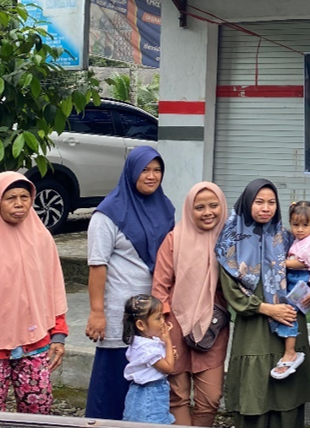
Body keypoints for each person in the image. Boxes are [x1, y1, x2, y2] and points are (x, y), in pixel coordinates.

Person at [216, 178, 310, 427]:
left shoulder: (287, 237)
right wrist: (267, 308)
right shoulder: (231, 242)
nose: (266, 208)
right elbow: (231, 292)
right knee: (255, 390)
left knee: (288, 395)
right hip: (254, 326)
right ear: (247, 203)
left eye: (272, 202)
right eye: (259, 202)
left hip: (289, 325)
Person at [84, 146, 176, 420]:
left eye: (157, 170)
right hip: (118, 313)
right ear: (131, 172)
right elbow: (97, 265)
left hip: (152, 315)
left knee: (148, 382)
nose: (151, 176)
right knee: (113, 383)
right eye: (145, 170)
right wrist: (97, 312)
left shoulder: (165, 207)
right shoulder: (107, 214)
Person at [0, 172, 69, 414]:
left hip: (34, 339)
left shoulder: (40, 237)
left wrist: (59, 333)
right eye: (10, 197)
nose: (19, 204)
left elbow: (53, 285)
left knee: (39, 407)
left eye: (25, 197)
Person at [151, 182, 231, 426]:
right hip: (175, 322)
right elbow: (160, 287)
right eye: (199, 207)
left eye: (213, 205)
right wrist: (163, 325)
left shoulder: (229, 241)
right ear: (189, 210)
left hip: (213, 325)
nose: (208, 212)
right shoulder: (175, 239)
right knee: (177, 395)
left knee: (211, 397)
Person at [274, 200, 310, 378]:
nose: (300, 229)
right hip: (293, 278)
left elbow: (303, 263)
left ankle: (290, 351)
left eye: (305, 225)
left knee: (290, 313)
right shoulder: (297, 240)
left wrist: (281, 264)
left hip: (300, 279)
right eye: (295, 225)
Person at [121, 294, 176, 424]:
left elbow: (165, 360)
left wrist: (170, 354)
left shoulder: (149, 341)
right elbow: (168, 368)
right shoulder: (146, 349)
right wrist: (168, 341)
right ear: (141, 325)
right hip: (149, 395)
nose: (163, 321)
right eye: (158, 318)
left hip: (154, 391)